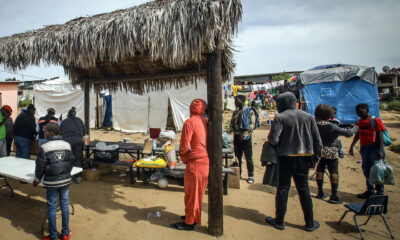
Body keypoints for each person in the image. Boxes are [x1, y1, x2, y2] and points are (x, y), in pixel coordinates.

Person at [266, 92, 322, 232]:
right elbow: (318, 142)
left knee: (283, 189)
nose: (277, 106)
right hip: (304, 159)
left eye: (279, 103)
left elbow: (273, 139)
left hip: (285, 159)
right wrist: (315, 159)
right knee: (304, 190)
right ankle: (309, 223)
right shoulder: (309, 117)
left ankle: (279, 221)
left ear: (286, 103)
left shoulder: (281, 118)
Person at [171, 99, 209, 231]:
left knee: (191, 194)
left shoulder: (189, 122)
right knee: (198, 194)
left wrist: (183, 156)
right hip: (205, 162)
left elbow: (185, 146)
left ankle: (189, 223)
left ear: (191, 109)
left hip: (195, 163)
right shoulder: (205, 122)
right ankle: (191, 216)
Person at [33, 122, 73, 240]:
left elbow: (40, 166)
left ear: (51, 133)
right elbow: (71, 162)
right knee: (64, 204)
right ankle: (65, 233)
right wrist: (66, 174)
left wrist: (37, 179)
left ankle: (53, 236)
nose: (43, 133)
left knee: (52, 207)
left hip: (51, 182)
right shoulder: (67, 145)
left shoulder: (44, 147)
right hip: (65, 181)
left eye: (45, 131)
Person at [314, 104, 358, 204]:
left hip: (319, 150)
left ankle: (320, 192)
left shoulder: (314, 124)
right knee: (333, 171)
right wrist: (356, 128)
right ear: (329, 115)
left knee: (320, 169)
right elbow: (348, 133)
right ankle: (334, 195)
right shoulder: (330, 126)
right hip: (331, 150)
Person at [349, 103, 386, 198]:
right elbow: (357, 134)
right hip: (364, 148)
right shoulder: (359, 122)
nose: (359, 114)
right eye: (357, 112)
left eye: (361, 112)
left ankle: (380, 192)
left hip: (375, 148)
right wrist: (352, 146)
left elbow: (380, 135)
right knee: (366, 169)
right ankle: (370, 190)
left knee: (377, 170)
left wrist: (381, 150)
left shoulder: (375, 120)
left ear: (367, 110)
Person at [229, 95, 259, 184]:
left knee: (248, 157)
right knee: (238, 156)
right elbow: (231, 124)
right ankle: (239, 173)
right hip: (237, 136)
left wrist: (244, 134)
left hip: (246, 138)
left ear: (241, 101)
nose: (235, 102)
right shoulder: (235, 112)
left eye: (236, 100)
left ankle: (251, 175)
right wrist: (229, 130)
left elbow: (251, 125)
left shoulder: (249, 111)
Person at [60, 107, 86, 183]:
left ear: (68, 115)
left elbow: (60, 132)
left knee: (67, 159)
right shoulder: (79, 120)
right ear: (75, 114)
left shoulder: (64, 121)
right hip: (78, 142)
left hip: (67, 144)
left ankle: (66, 176)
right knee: (78, 159)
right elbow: (84, 131)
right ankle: (78, 177)